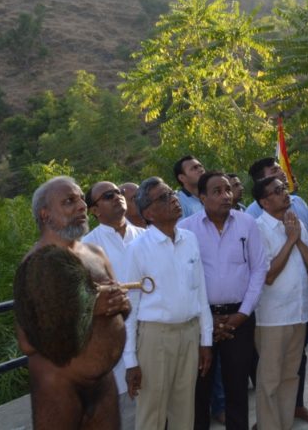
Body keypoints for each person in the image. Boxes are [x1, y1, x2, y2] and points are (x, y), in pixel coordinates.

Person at [15, 176, 130, 430]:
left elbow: (119, 310)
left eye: (80, 199)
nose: (81, 206)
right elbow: (26, 343)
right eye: (69, 201)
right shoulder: (35, 264)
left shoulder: (95, 253)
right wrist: (90, 309)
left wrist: (121, 305)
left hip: (103, 382)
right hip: (59, 387)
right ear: (45, 214)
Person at [124, 177, 213, 430]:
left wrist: (206, 341)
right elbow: (130, 307)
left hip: (190, 333)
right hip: (156, 338)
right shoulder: (137, 249)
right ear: (148, 213)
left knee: (184, 411)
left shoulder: (189, 239)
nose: (174, 199)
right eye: (164, 197)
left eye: (172, 193)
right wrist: (130, 361)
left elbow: (201, 293)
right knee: (152, 412)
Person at [184, 172, 268, 430]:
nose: (226, 196)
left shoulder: (246, 223)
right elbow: (183, 278)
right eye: (217, 191)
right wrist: (207, 319)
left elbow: (259, 268)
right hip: (202, 318)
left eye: (228, 190)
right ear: (202, 197)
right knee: (200, 387)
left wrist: (242, 314)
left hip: (239, 317)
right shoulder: (186, 229)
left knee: (237, 385)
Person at [246, 156, 308, 424]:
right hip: (272, 318)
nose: (284, 193)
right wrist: (291, 241)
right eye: (277, 191)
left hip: (298, 312)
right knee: (269, 379)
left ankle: (285, 423)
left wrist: (297, 238)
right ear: (264, 202)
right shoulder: (257, 229)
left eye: (284, 188)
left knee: (291, 375)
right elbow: (268, 276)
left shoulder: (293, 222)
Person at [83, 181, 146, 424]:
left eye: (119, 193)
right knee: (126, 410)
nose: (118, 197)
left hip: (153, 329)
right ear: (94, 210)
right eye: (108, 196)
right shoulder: (87, 247)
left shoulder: (146, 236)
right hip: (116, 337)